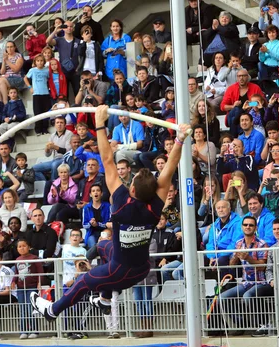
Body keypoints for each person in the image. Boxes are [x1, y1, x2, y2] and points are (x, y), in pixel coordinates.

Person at [31, 104, 186, 321]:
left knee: (83, 282)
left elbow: (106, 159)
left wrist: (100, 123)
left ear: (132, 188)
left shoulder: (122, 201)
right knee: (103, 245)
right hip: (142, 268)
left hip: (120, 271)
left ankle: (52, 311)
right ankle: (104, 299)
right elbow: (170, 166)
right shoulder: (156, 205)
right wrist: (179, 141)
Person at [47, 21, 80, 95]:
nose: (69, 28)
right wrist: (55, 31)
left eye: (71, 26)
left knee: (77, 92)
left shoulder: (78, 41)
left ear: (73, 29)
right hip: (63, 71)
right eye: (66, 26)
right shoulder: (59, 40)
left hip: (75, 71)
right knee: (64, 93)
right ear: (63, 28)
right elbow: (48, 41)